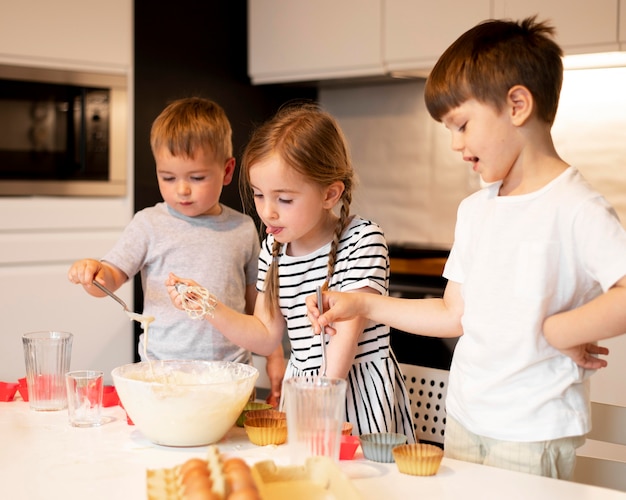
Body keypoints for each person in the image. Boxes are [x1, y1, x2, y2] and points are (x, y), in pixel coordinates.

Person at [306, 17, 626, 479]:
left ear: (517, 105)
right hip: (463, 420)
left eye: (461, 125)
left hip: (531, 432)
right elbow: (452, 314)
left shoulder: (576, 206)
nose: (455, 144)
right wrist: (361, 302)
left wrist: (562, 330)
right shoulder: (476, 210)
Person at [166, 102, 417, 442]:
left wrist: (313, 410)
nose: (268, 212)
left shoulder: (362, 240)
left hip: (353, 399)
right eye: (258, 195)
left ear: (330, 193)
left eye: (284, 200)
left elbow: (342, 343)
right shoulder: (275, 246)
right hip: (303, 394)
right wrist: (207, 305)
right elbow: (265, 335)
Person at [67, 97, 285, 404]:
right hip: (162, 375)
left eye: (196, 178)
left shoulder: (243, 228)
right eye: (168, 177)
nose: (181, 189)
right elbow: (111, 278)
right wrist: (93, 273)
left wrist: (275, 354)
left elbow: (257, 305)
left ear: (226, 170)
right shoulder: (149, 224)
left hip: (231, 376)